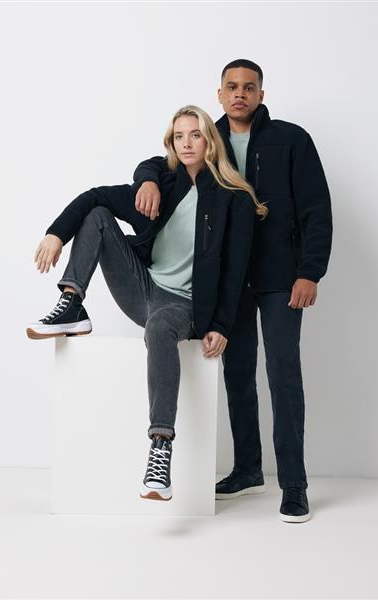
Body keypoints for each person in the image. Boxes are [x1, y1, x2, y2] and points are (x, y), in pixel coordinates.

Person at [27, 105, 264, 502]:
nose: (186, 143)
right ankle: (72, 303)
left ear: (210, 141)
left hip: (186, 306)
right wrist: (56, 235)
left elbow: (236, 271)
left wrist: (221, 325)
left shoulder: (234, 199)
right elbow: (94, 197)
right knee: (98, 214)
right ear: (171, 143)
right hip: (144, 289)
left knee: (159, 327)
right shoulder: (163, 186)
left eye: (195, 134)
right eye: (178, 136)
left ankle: (160, 449)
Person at [133, 60, 333, 522]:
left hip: (281, 280)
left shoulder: (291, 139)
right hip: (228, 281)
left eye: (249, 87)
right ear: (220, 95)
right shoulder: (209, 137)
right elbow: (162, 160)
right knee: (237, 376)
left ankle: (294, 485)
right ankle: (247, 470)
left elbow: (317, 209)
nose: (240, 94)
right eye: (231, 87)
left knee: (283, 375)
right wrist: (147, 178)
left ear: (261, 94)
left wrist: (310, 272)